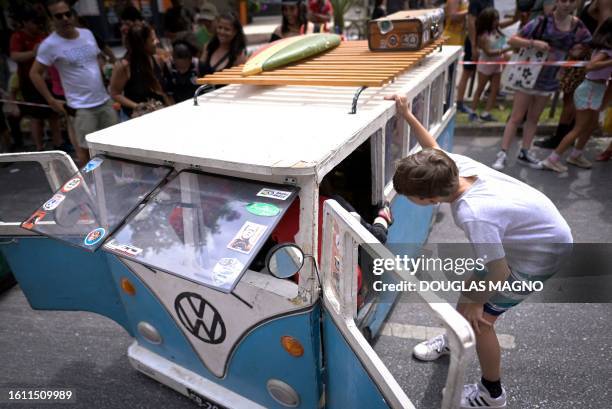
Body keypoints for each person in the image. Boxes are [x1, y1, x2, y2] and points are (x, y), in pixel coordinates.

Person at [386, 93, 572, 409]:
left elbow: (498, 271)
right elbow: (432, 148)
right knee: (470, 291)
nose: (406, 200)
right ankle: (452, 340)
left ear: (431, 200)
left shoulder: (473, 214)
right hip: (528, 238)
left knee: (482, 322)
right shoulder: (451, 168)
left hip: (539, 257)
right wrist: (406, 114)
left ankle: (492, 393)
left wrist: (477, 304)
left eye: (409, 197)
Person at [492, 0, 592, 171]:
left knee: (534, 117)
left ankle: (525, 151)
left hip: (550, 78)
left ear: (576, 4)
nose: (566, 5)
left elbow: (590, 43)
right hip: (528, 74)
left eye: (571, 1)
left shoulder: (577, 26)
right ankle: (502, 153)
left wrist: (577, 51)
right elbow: (513, 41)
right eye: (563, 0)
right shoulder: (542, 21)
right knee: (516, 116)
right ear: (557, 2)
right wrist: (534, 43)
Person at [30, 0, 118, 165]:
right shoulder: (49, 45)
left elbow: (96, 59)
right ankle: (93, 186)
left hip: (103, 100)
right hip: (80, 107)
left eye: (68, 14)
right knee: (87, 151)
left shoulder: (87, 34)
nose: (65, 18)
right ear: (52, 20)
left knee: (114, 146)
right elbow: (35, 73)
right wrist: (51, 100)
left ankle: (117, 182)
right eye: (59, 16)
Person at [539, 18, 612, 172]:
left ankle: (576, 155)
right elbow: (591, 66)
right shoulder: (606, 51)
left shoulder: (604, 49)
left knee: (591, 126)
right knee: (579, 128)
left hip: (596, 89)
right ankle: (552, 159)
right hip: (590, 89)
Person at [10, 7, 64, 151]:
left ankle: (59, 144)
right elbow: (15, 56)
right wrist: (33, 53)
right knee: (36, 116)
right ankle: (39, 147)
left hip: (47, 80)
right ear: (25, 23)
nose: (36, 26)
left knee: (53, 113)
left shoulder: (42, 36)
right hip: (28, 82)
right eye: (33, 22)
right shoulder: (18, 37)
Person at [110, 23, 169, 119]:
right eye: (153, 40)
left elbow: (161, 91)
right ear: (142, 44)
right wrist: (138, 106)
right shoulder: (124, 66)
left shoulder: (157, 59)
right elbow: (115, 93)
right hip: (135, 117)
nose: (157, 41)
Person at [469, 8, 511, 122]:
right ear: (487, 21)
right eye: (494, 19)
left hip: (497, 65)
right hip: (486, 65)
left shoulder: (496, 30)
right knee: (480, 89)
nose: (497, 22)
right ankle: (472, 112)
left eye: (497, 19)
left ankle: (486, 113)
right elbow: (488, 52)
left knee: (495, 90)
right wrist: (507, 49)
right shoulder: (483, 36)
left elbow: (512, 21)